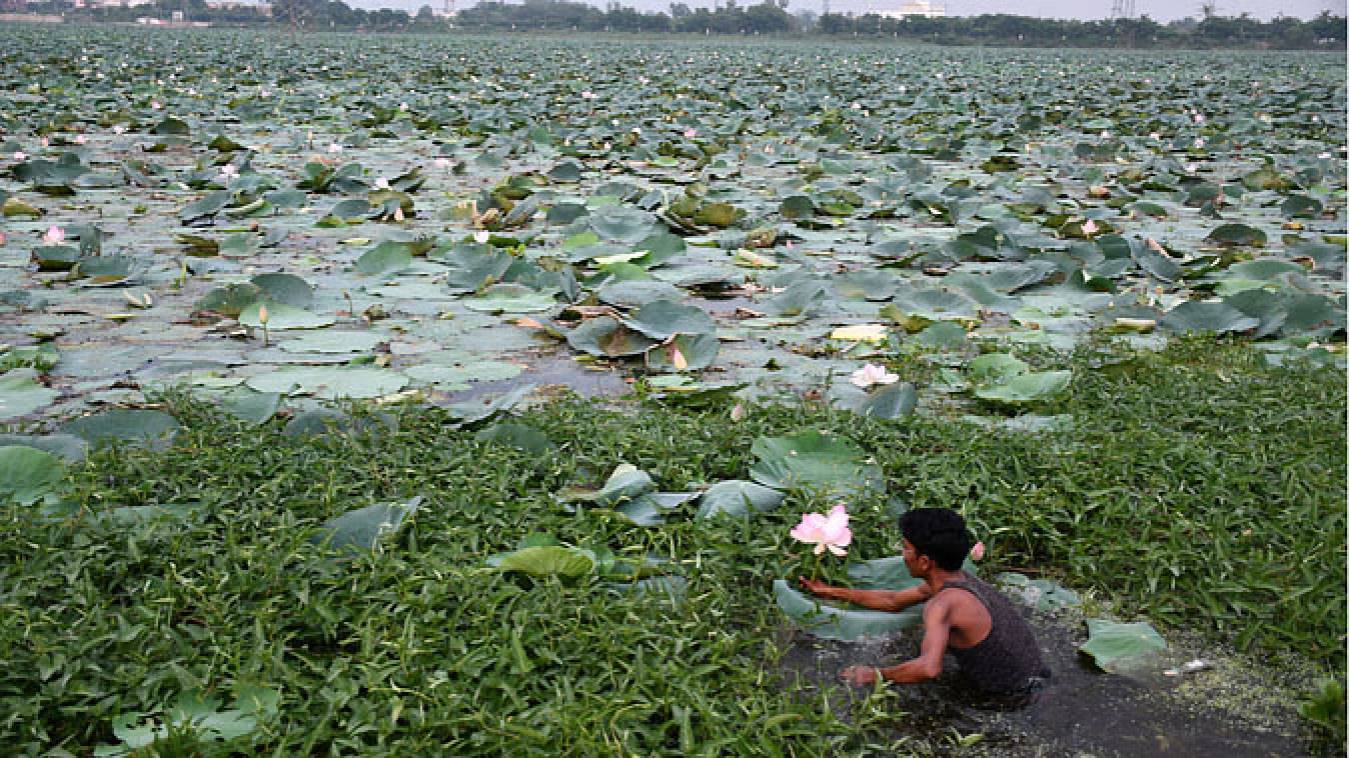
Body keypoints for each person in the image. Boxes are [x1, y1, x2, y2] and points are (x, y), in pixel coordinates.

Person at [799, 507, 1049, 694]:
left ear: (925, 561)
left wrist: (872, 675)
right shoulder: (957, 582)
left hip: (1012, 697)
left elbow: (929, 668)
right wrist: (830, 591)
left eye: (906, 548)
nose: (902, 554)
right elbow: (893, 600)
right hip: (1037, 677)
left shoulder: (942, 605)